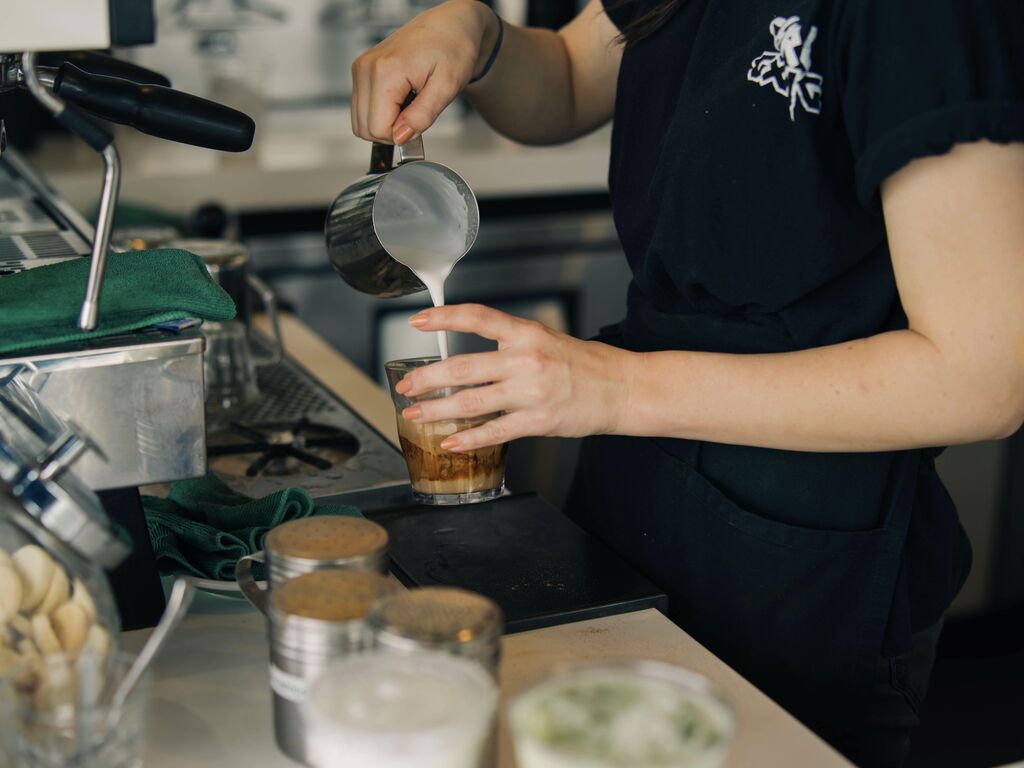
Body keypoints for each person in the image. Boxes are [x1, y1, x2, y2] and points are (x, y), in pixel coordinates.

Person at [350, 1, 1024, 764]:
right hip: (640, 483)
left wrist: (618, 391)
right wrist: (480, 34)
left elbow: (984, 375)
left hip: (807, 546)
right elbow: (571, 79)